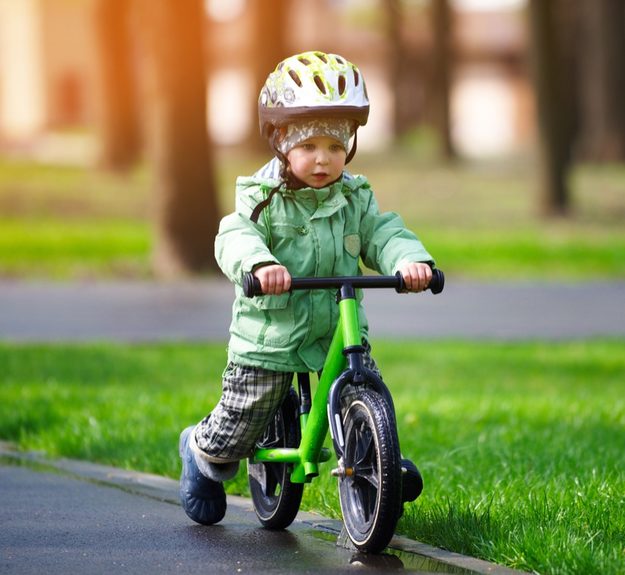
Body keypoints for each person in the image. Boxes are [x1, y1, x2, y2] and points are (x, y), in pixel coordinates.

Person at [179, 51, 435, 525]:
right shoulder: (261, 197)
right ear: (280, 140)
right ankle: (200, 451)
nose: (324, 158)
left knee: (363, 384)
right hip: (271, 335)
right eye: (309, 144)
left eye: (336, 147)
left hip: (335, 330)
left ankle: (377, 455)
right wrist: (260, 263)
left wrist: (410, 260)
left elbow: (382, 233)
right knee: (240, 425)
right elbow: (234, 235)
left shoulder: (353, 195)